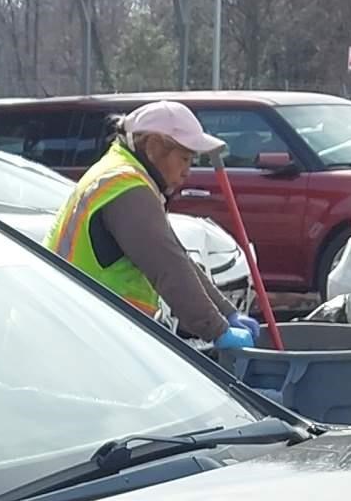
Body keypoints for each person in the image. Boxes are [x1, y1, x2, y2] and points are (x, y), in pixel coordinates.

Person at [48, 101, 254, 344]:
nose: (187, 171)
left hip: (84, 322)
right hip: (84, 329)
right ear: (154, 147)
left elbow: (177, 256)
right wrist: (217, 329)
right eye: (184, 158)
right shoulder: (125, 185)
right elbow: (167, 265)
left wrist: (227, 313)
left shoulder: (123, 174)